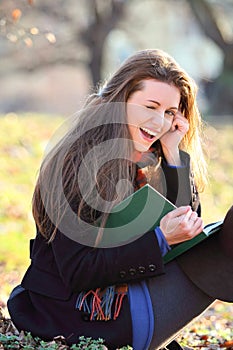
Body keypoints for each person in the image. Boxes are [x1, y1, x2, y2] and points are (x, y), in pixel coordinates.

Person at [7, 49, 233, 350]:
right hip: (84, 316)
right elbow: (77, 271)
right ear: (120, 101)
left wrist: (173, 153)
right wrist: (161, 239)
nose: (158, 122)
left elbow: (186, 230)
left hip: (135, 293)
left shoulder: (147, 158)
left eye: (169, 112)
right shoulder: (77, 164)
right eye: (150, 106)